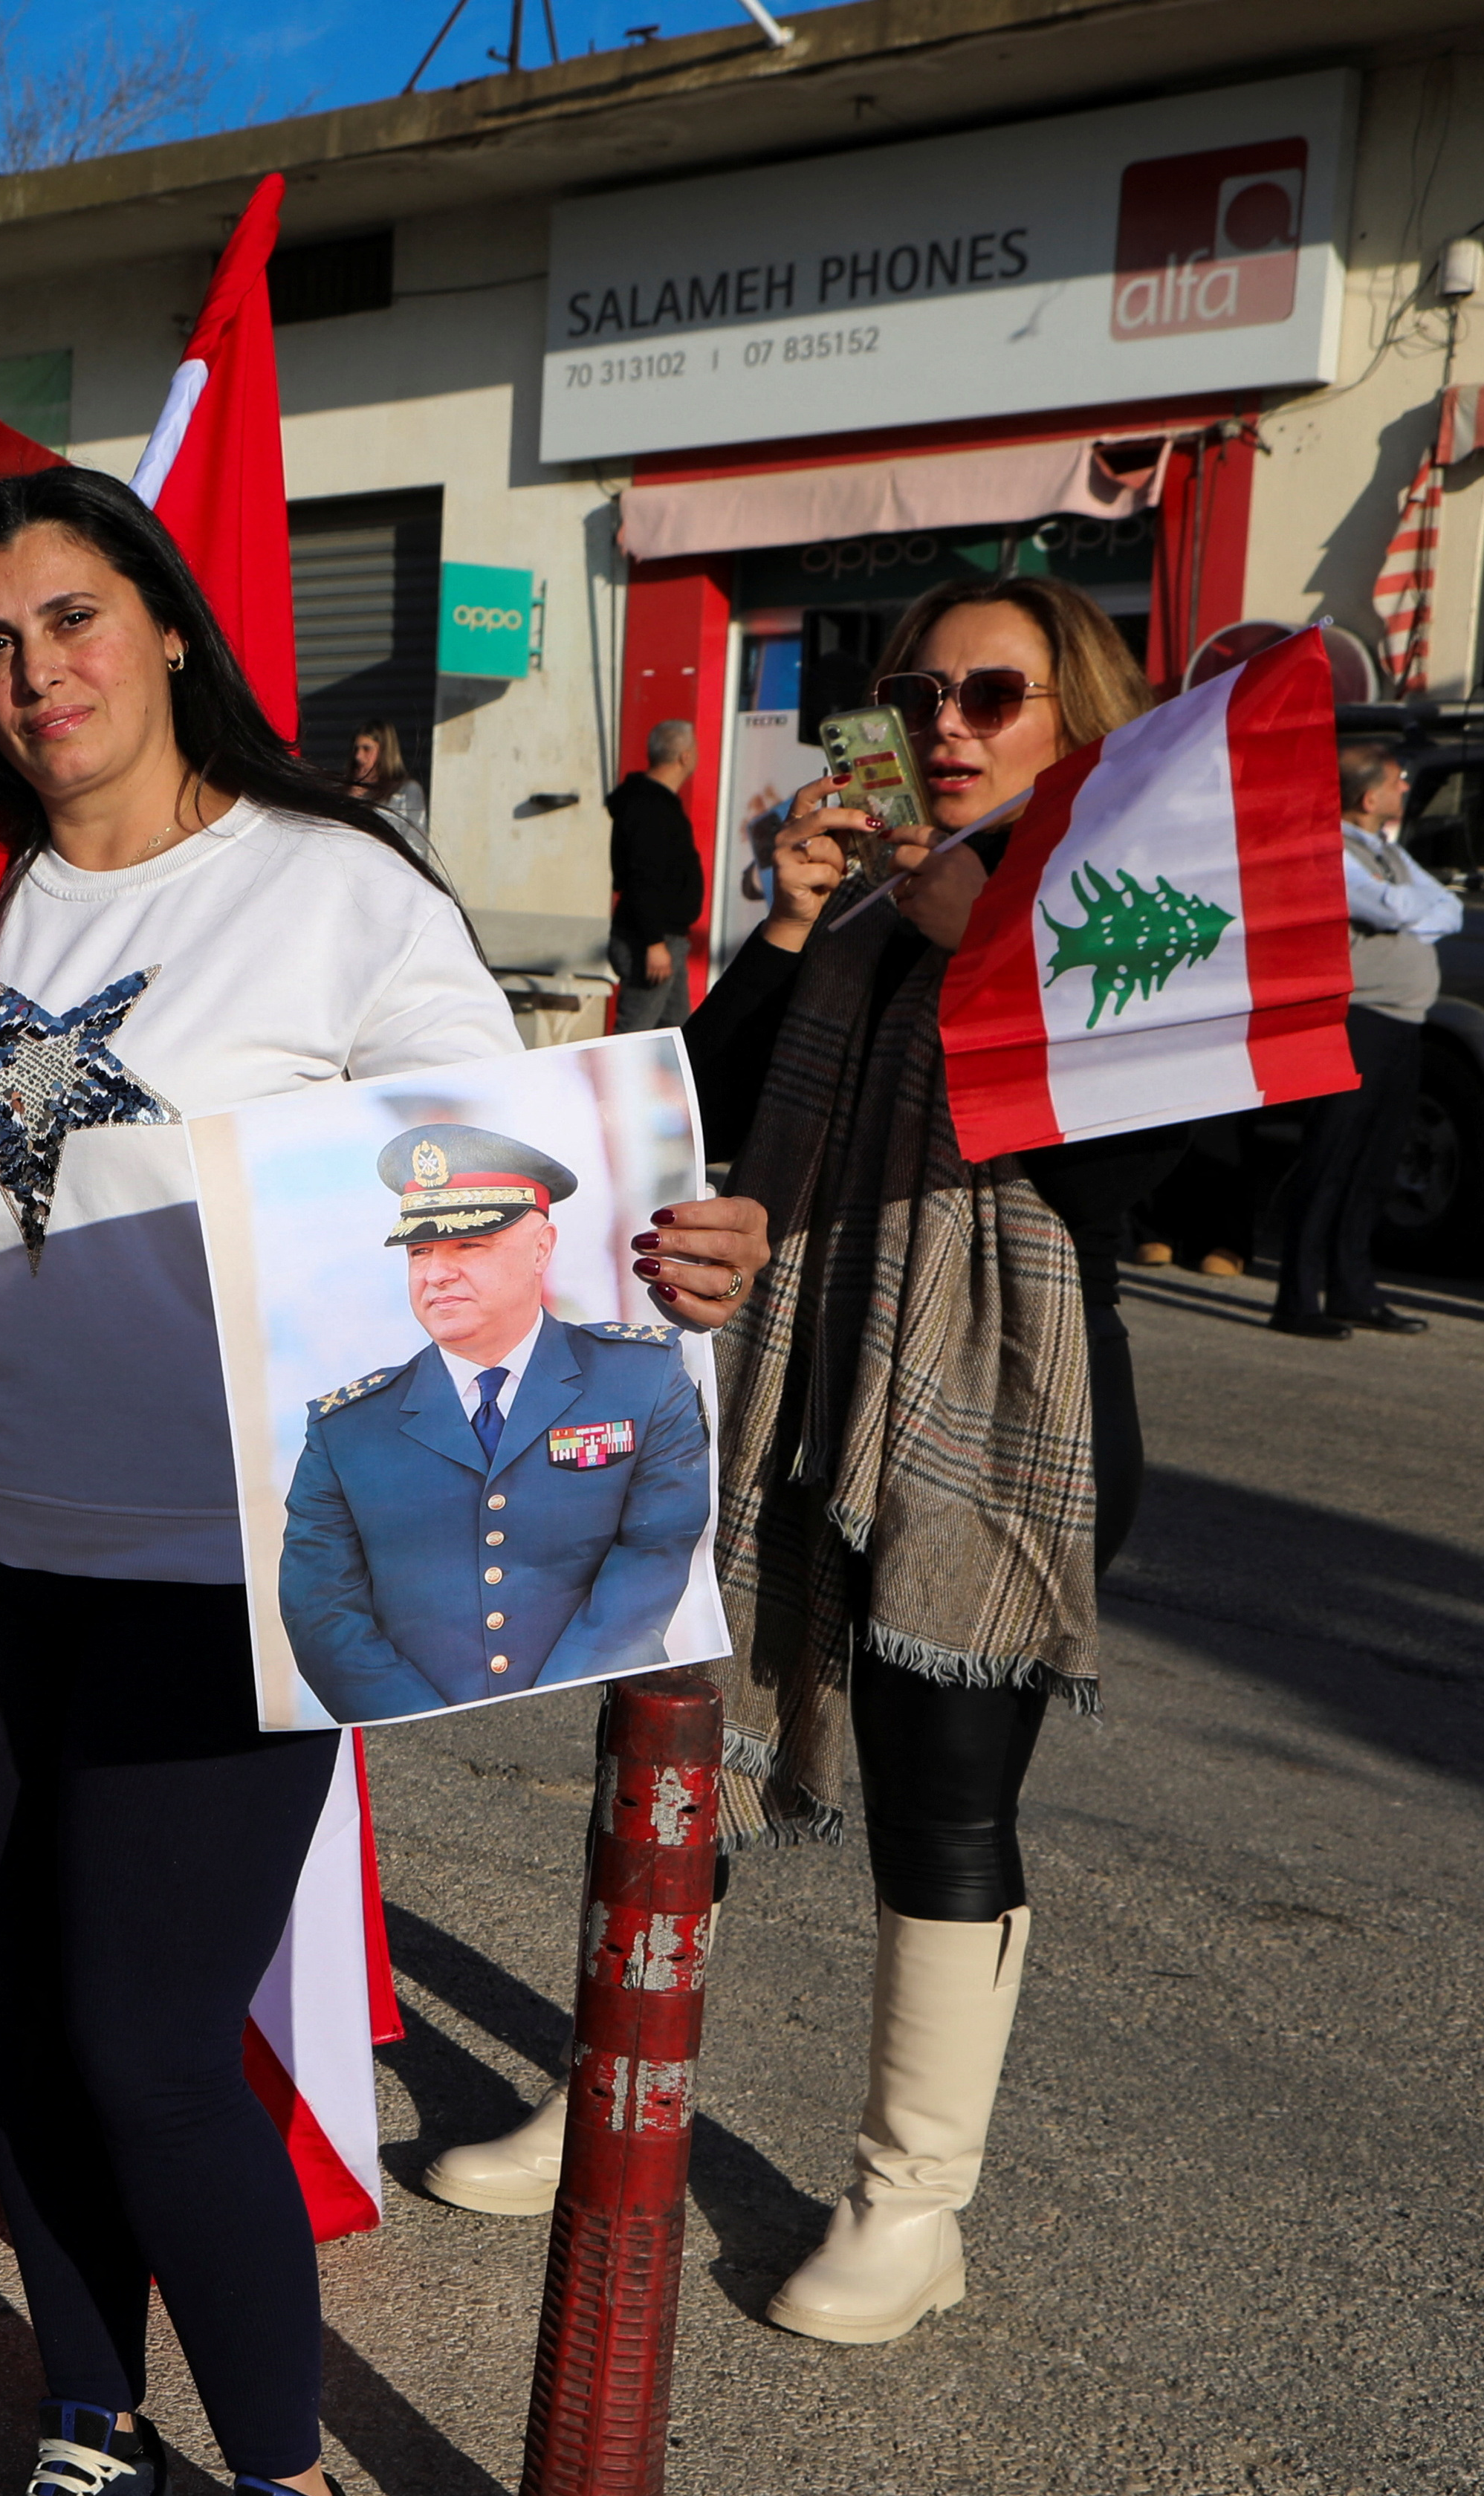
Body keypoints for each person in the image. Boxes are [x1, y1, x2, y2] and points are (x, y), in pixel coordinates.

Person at [0, 466, 767, 2496]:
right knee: (22, 2011)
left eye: (70, 619)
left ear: (163, 621)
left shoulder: (334, 894)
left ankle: (289, 2486)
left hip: (215, 1575)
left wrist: (674, 1255)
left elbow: (515, 1202)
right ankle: (90, 2410)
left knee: (149, 2040)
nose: (33, 676)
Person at [445, 573, 1157, 2343]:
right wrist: (784, 920)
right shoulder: (865, 904)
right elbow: (689, 1099)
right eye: (913, 692)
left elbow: (1120, 1185)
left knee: (938, 1794)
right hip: (777, 1389)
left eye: (987, 693)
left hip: (991, 1418)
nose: (941, 725)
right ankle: (613, 2091)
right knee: (676, 1746)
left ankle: (909, 2206)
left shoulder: (1119, 908)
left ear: (1072, 713)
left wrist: (991, 945)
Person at [276, 1124, 710, 1722]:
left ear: (541, 1249)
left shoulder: (640, 1378)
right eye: (419, 1252)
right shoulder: (346, 1429)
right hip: (422, 1749)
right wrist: (441, 1732)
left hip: (596, 1720)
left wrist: (549, 1711)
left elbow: (656, 1549)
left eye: (468, 1245)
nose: (436, 1273)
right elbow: (321, 1615)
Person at [1270, 739, 1457, 1338]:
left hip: (1404, 1023)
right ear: (1368, 796)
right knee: (1331, 1155)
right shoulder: (1332, 848)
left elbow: (1448, 909)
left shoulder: (1387, 850)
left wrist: (1410, 906)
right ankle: (1298, 1299)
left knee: (1376, 1161)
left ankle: (1353, 1288)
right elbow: (1393, 909)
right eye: (1397, 781)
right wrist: (1410, 908)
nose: (1406, 789)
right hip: (1360, 1021)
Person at [608, 720, 706, 1031]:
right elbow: (643, 878)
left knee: (675, 1031)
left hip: (665, 939)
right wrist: (654, 943)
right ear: (685, 756)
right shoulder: (650, 807)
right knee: (634, 1032)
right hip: (649, 940)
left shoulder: (653, 803)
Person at [342, 716, 429, 855]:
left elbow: (417, 845)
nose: (358, 757)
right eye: (356, 749)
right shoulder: (344, 790)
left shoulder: (406, 791)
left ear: (384, 752)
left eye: (367, 749)